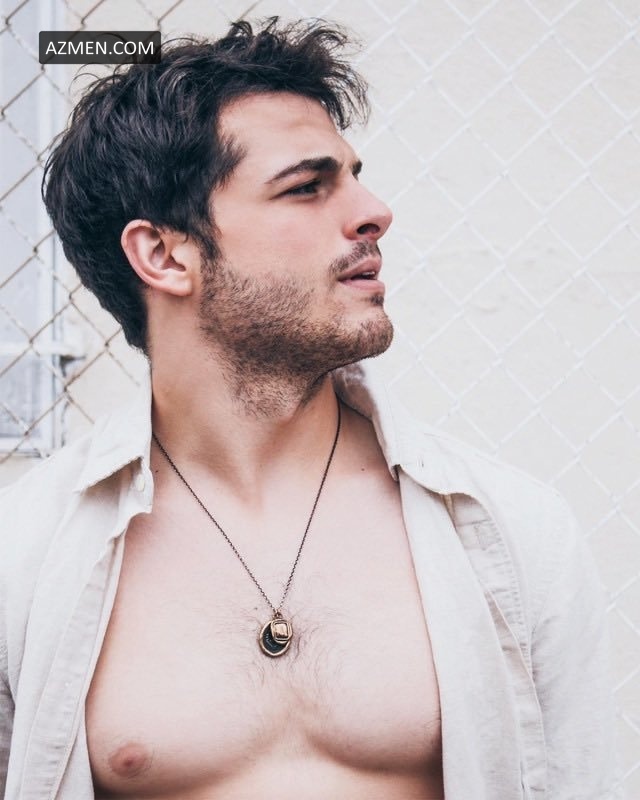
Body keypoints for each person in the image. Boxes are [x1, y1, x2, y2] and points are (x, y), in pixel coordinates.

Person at [0, 18, 616, 800]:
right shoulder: (25, 558)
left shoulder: (512, 533)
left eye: (354, 177)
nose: (374, 211)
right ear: (163, 255)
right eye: (306, 187)